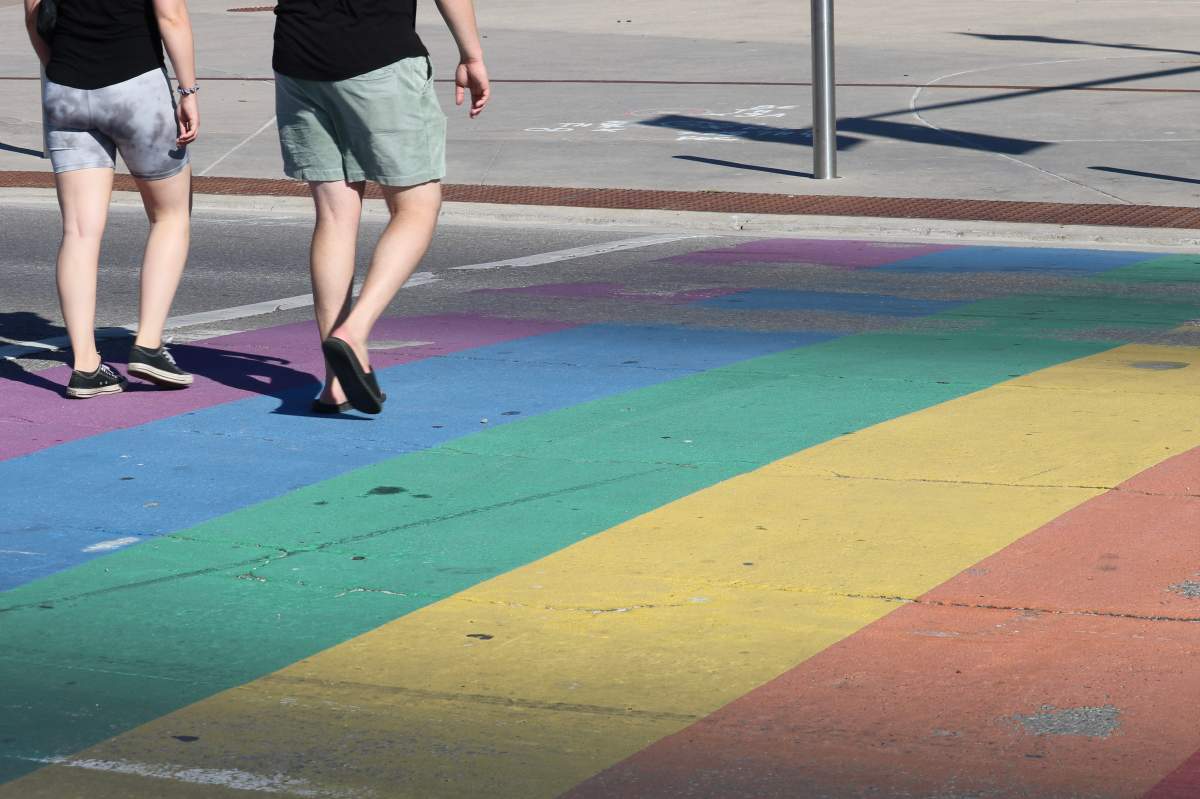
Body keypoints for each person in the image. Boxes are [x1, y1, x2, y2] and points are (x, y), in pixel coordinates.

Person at [273, 0, 489, 415]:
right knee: (417, 205)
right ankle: (354, 332)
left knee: (334, 216)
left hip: (299, 55)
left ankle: (335, 384)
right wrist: (472, 54)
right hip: (378, 54)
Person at [23, 0, 199, 399]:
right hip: (136, 85)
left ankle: (85, 365)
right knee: (170, 215)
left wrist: (57, 68)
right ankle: (149, 344)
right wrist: (188, 90)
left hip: (66, 87)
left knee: (80, 232)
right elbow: (171, 15)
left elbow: (34, 14)